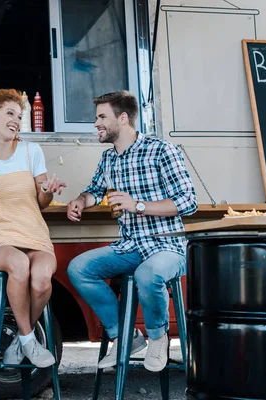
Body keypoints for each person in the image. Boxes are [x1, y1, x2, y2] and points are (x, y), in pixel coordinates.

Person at [66, 91, 197, 372]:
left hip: (167, 245)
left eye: (102, 117)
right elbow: (95, 191)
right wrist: (80, 201)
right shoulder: (108, 159)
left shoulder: (162, 150)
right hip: (130, 246)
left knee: (147, 274)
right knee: (79, 268)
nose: (96, 123)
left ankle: (159, 337)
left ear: (123, 118)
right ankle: (126, 336)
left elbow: (188, 202)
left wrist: (137, 205)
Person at [0, 89, 67, 368]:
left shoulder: (32, 151)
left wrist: (48, 191)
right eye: (10, 113)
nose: (16, 121)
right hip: (1, 239)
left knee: (42, 277)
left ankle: (21, 339)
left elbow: (42, 202)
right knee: (19, 265)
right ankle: (30, 339)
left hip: (35, 234)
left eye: (19, 116)